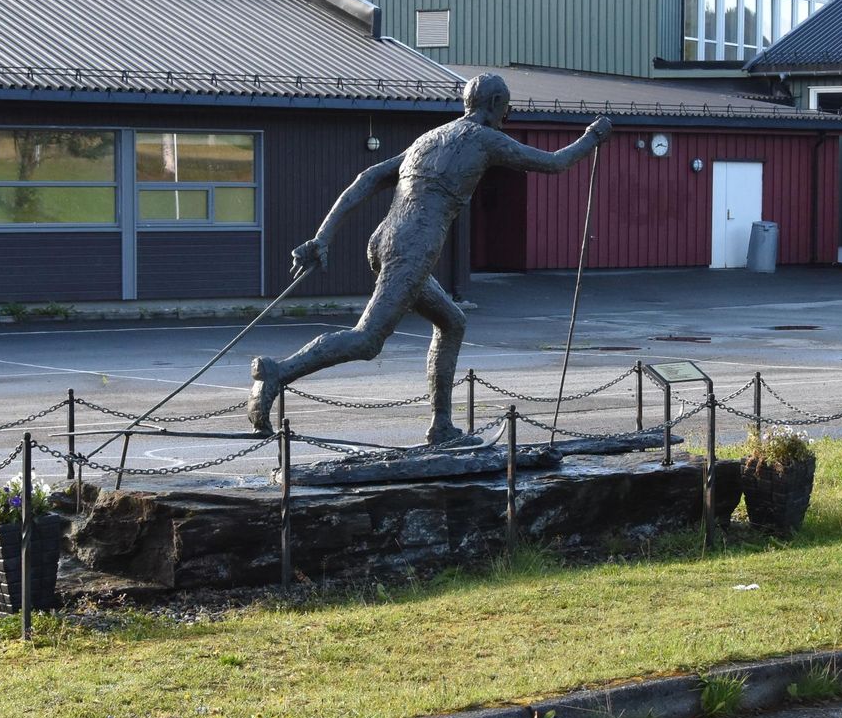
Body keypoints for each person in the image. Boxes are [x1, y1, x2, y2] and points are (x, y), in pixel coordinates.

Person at [250, 73, 612, 445]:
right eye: (506, 107)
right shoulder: (486, 139)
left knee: (452, 322)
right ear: (494, 105)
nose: (507, 114)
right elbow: (554, 162)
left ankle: (441, 426)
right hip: (414, 246)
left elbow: (368, 176)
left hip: (384, 239)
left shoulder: (429, 138)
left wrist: (322, 237)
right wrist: (592, 137)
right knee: (367, 340)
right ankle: (278, 372)